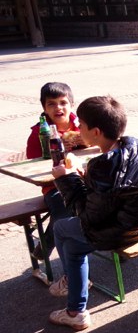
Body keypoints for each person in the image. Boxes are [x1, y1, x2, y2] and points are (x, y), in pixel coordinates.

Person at [48, 96, 138, 329]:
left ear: (96, 132)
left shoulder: (103, 167)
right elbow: (112, 193)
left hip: (123, 231)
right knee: (73, 248)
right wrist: (85, 176)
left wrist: (65, 179)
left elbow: (87, 217)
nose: (77, 127)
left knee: (60, 228)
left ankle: (71, 287)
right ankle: (75, 310)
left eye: (80, 124)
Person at [25, 82, 85, 262]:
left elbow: (101, 144)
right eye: (51, 104)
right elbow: (32, 162)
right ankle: (46, 248)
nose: (58, 108)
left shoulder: (82, 125)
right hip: (54, 185)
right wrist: (56, 151)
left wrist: (85, 142)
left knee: (106, 194)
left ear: (71, 105)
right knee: (64, 206)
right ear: (44, 108)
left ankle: (113, 243)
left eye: (63, 103)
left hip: (83, 178)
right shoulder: (40, 131)